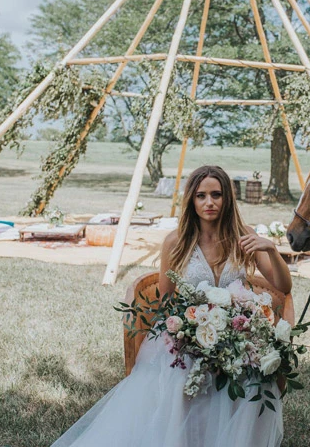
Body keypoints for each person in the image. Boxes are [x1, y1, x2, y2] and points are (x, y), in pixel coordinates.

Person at [52, 165, 292, 447]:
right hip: (187, 339)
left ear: (228, 198)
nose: (209, 202)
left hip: (237, 341)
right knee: (182, 382)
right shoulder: (176, 241)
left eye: (216, 195)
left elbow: (283, 285)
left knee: (254, 378)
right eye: (201, 196)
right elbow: (166, 303)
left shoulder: (244, 236)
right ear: (191, 200)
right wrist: (189, 333)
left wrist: (271, 249)